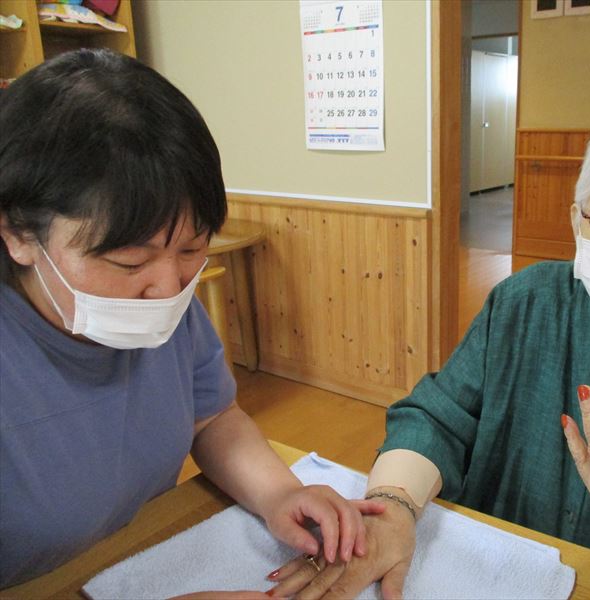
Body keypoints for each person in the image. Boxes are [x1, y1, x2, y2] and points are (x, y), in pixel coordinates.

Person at [267, 99, 590, 597]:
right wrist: (392, 509)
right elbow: (439, 418)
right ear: (578, 219)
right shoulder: (523, 302)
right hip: (492, 568)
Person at [0, 49, 383, 589]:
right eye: (129, 262)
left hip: (127, 563)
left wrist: (280, 493)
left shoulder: (168, 307)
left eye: (191, 250)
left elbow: (212, 418)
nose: (169, 287)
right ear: (18, 233)